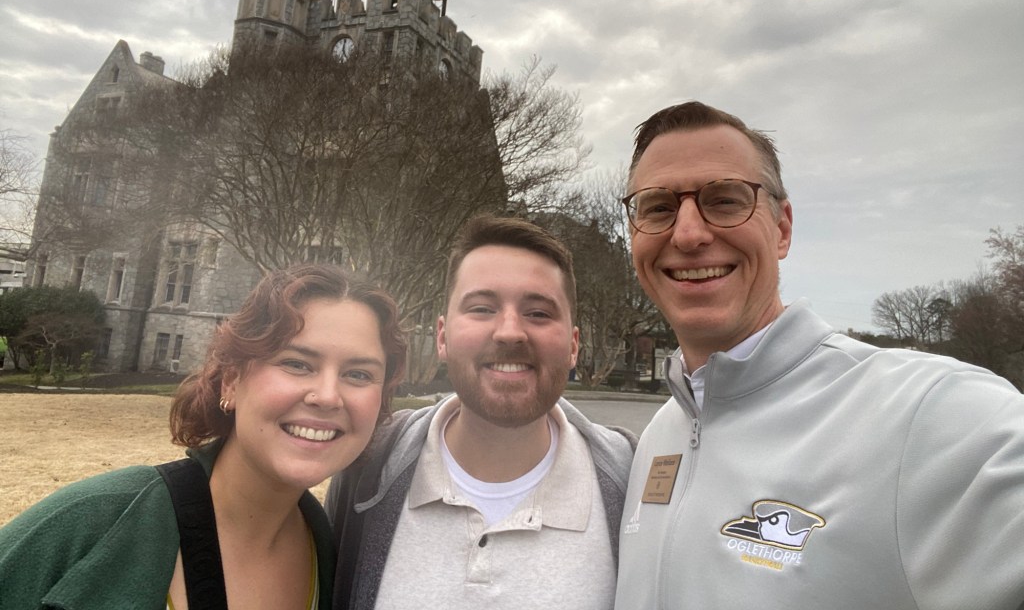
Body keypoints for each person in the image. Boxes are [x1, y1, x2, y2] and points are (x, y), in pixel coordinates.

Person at [613, 101, 1024, 610]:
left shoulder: (931, 413)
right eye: (657, 207)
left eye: (724, 200)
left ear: (782, 228)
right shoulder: (659, 434)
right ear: (634, 234)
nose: (689, 233)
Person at [0, 264, 407, 610]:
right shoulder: (92, 523)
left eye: (358, 374)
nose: (327, 396)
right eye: (298, 363)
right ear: (231, 380)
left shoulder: (338, 559)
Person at [325, 214, 636, 610]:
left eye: (538, 313)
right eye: (482, 308)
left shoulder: (630, 486)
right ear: (442, 337)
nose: (509, 331)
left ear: (574, 346)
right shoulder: (366, 469)